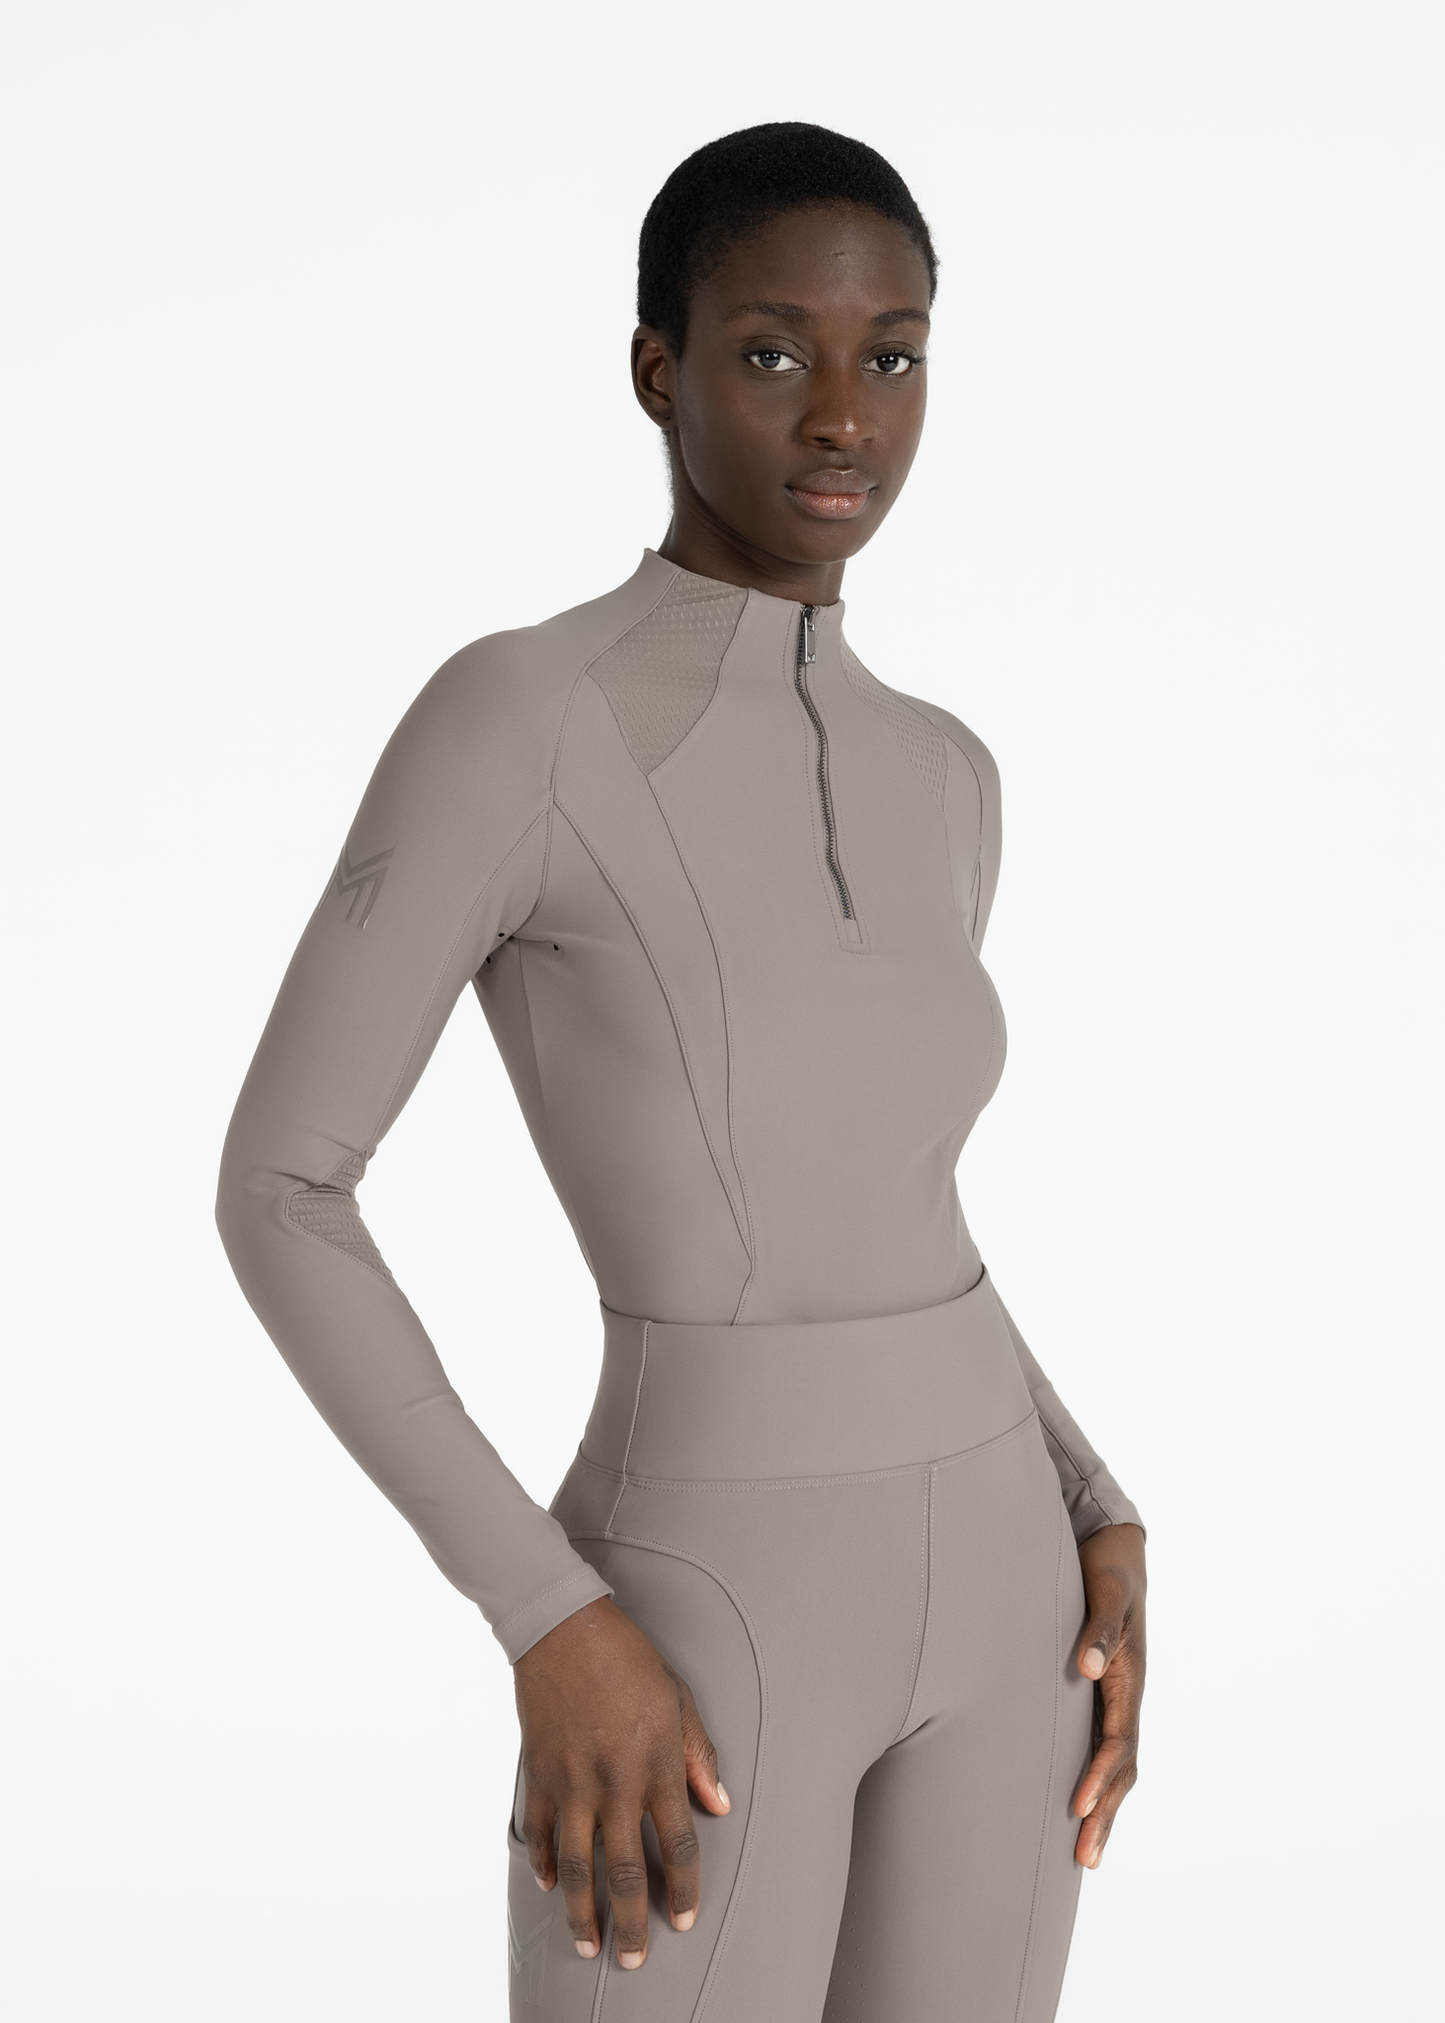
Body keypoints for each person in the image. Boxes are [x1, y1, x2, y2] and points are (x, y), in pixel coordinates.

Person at [217, 121, 1147, 2023]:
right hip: (699, 1604)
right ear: (659, 368)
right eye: (773, 349)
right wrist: (547, 1612)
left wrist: (1094, 1495)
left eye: (894, 354)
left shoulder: (948, 773)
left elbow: (904, 1209)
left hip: (1011, 1589)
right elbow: (283, 1190)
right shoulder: (523, 713)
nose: (844, 413)